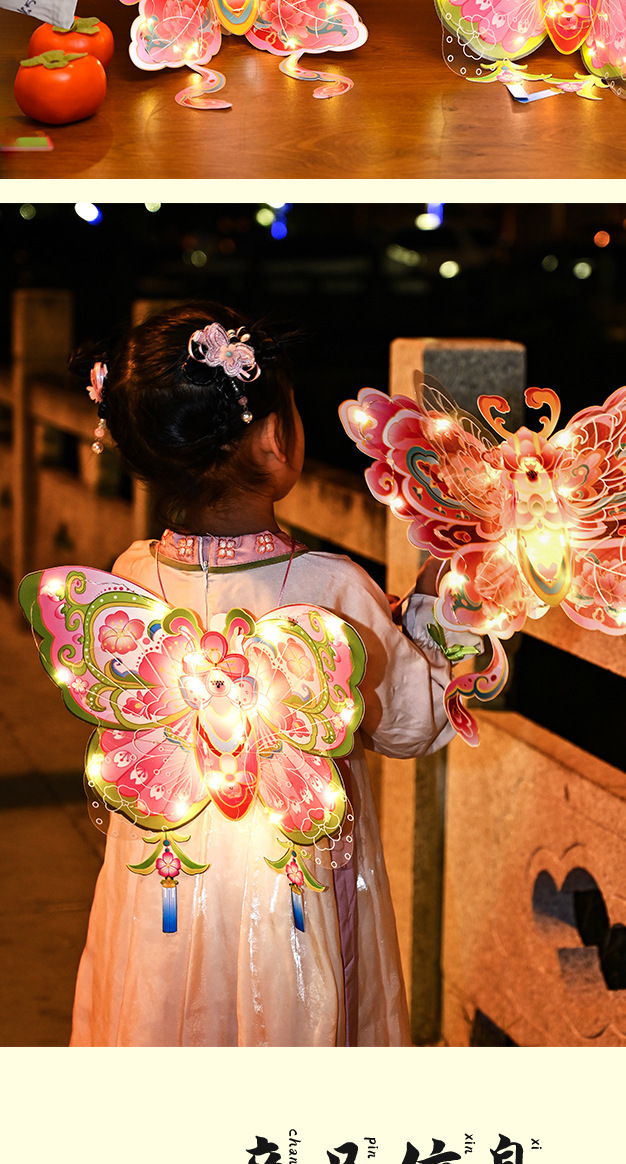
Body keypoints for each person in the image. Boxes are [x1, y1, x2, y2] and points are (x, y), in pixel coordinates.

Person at [66, 301, 469, 1047]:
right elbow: (416, 723)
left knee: (161, 1010)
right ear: (277, 440)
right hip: (294, 888)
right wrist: (435, 611)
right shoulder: (333, 589)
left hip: (163, 883)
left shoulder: (131, 577)